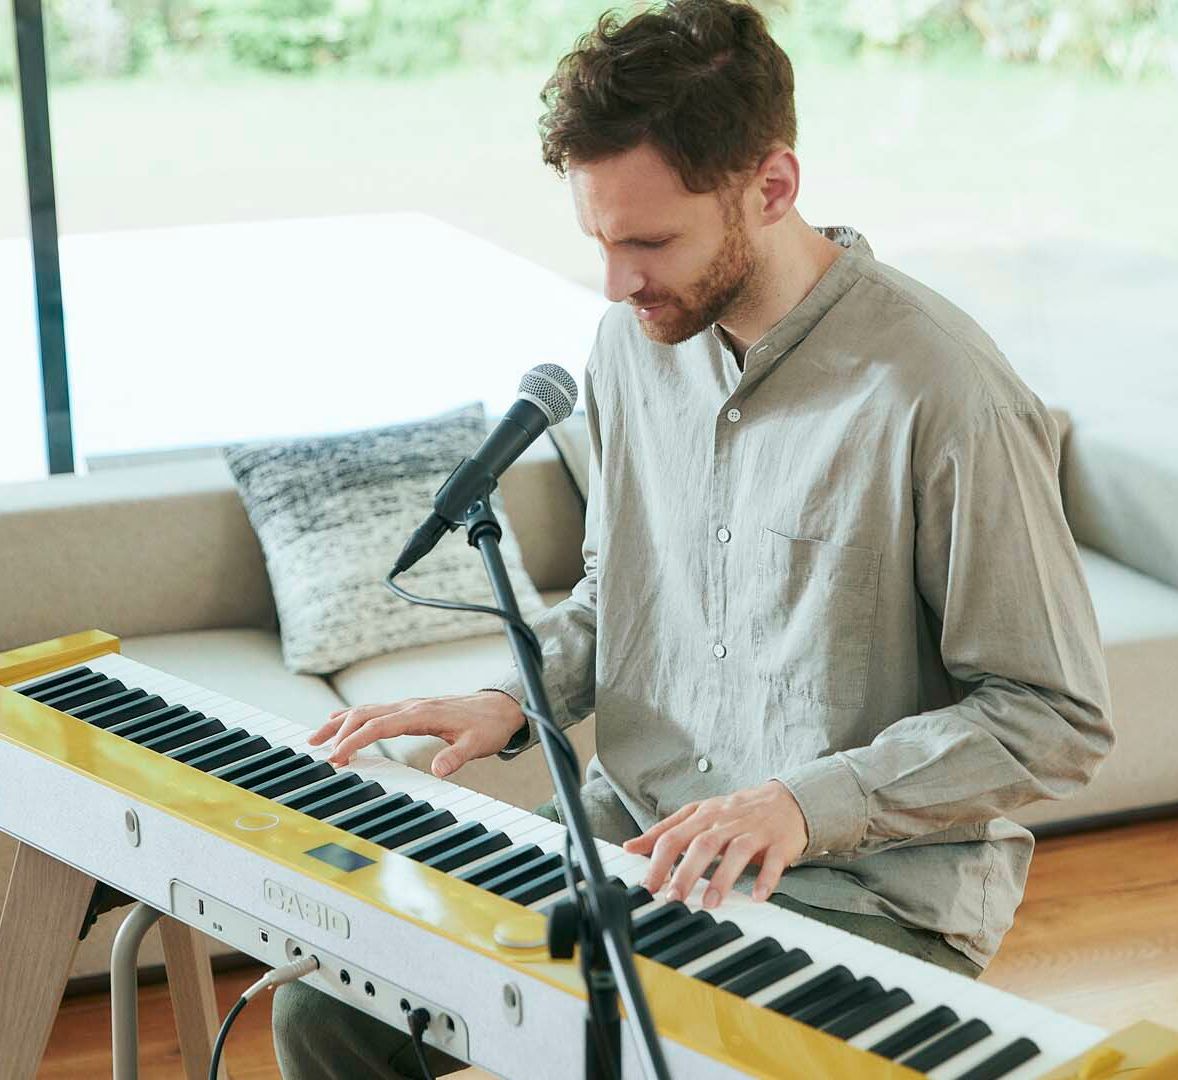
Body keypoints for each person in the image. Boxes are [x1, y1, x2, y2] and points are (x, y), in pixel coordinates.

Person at [272, 1, 1114, 1075]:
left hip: (858, 889)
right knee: (329, 1013)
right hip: (639, 832)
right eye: (599, 240)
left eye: (650, 241)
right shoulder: (630, 347)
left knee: (630, 1054)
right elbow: (621, 594)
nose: (616, 283)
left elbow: (1055, 715)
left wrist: (802, 805)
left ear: (771, 185)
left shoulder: (944, 395)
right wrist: (515, 699)